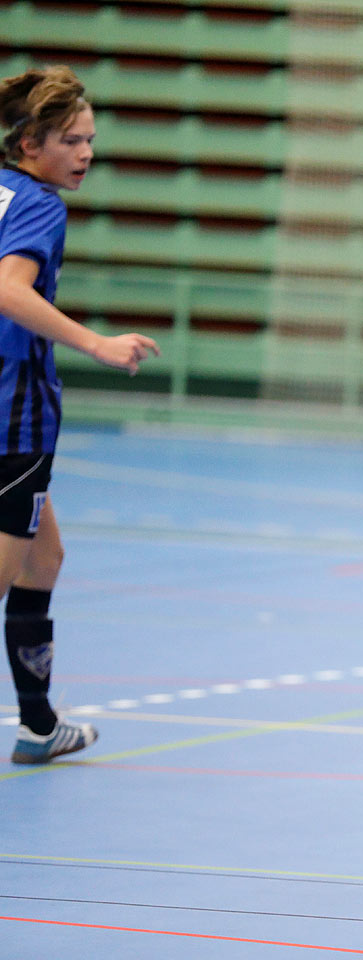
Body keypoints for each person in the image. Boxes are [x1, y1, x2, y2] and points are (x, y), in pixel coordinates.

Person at [0, 67, 159, 765]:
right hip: (14, 414)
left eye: (91, 140)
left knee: (47, 558)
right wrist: (95, 342)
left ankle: (38, 725)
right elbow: (8, 290)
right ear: (31, 143)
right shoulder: (37, 203)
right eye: (71, 140)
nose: (85, 153)